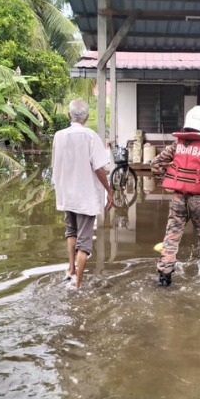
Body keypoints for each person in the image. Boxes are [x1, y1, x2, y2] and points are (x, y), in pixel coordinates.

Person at [151, 105, 200, 286]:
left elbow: (156, 163)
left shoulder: (178, 145)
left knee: (172, 236)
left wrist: (166, 182)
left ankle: (165, 275)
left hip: (178, 198)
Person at [51, 99, 114, 290]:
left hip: (66, 193)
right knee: (84, 242)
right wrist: (109, 191)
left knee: (71, 231)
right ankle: (78, 284)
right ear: (86, 117)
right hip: (85, 195)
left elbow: (56, 164)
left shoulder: (59, 136)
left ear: (69, 116)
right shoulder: (90, 136)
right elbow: (99, 168)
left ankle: (70, 270)